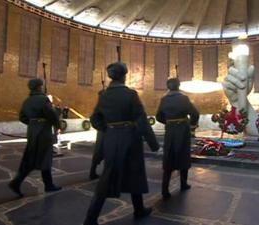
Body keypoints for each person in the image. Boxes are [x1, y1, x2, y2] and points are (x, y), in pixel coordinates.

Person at [83, 62, 160, 225]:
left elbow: (94, 118)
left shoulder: (103, 95)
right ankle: (138, 210)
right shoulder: (130, 94)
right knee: (135, 172)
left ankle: (91, 218)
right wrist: (153, 144)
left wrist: (108, 128)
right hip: (130, 139)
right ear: (124, 76)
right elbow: (141, 119)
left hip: (111, 139)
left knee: (107, 176)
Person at [8, 78, 61, 197]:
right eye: (41, 86)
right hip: (44, 131)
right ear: (39, 87)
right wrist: (57, 122)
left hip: (32, 131)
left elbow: (22, 117)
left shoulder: (27, 100)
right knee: (46, 157)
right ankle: (49, 185)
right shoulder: (43, 99)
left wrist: (33, 123)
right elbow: (51, 114)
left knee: (30, 157)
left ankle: (17, 182)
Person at [156, 78, 199, 200]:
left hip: (170, 131)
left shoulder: (164, 99)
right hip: (183, 130)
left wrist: (169, 122)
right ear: (179, 85)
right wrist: (191, 125)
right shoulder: (184, 98)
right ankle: (183, 184)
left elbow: (158, 116)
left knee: (168, 156)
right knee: (183, 155)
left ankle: (165, 189)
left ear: (168, 87)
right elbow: (195, 114)